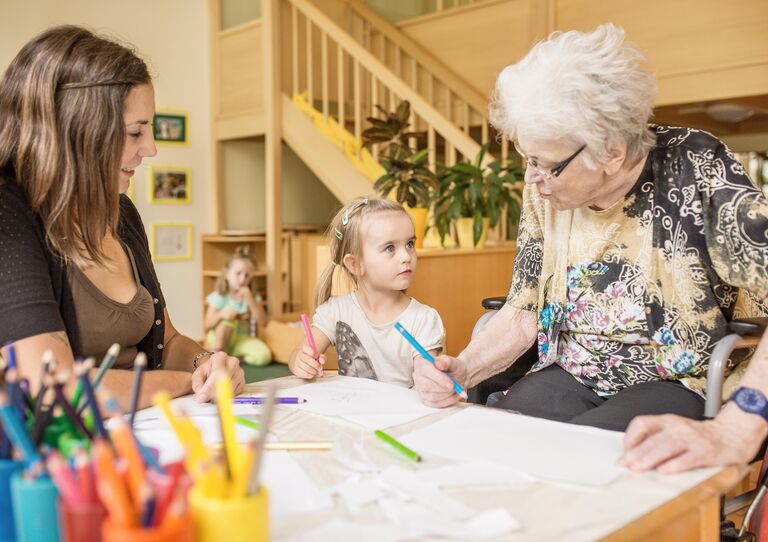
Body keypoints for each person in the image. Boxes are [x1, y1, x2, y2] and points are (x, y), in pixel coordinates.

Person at [413, 23, 768, 472]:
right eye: (529, 161)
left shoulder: (696, 167)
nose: (533, 180)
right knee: (493, 445)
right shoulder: (545, 186)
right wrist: (463, 370)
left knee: (587, 467)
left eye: (547, 165)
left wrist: (735, 430)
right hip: (571, 371)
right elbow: (524, 309)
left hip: (675, 378)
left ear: (612, 152)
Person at [0, 25, 244, 409]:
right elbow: (54, 385)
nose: (150, 149)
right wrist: (184, 383)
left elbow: (170, 342)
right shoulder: (9, 215)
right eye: (135, 133)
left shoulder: (121, 211)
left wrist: (206, 363)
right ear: (77, 133)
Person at [289, 197, 445, 387]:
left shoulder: (423, 319)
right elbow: (299, 353)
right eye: (390, 248)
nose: (406, 256)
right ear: (355, 264)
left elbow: (428, 379)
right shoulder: (336, 311)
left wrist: (432, 377)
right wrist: (301, 361)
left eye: (410, 244)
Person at [204, 247, 271, 366]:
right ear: (227, 274)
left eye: (247, 276)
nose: (242, 279)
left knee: (264, 356)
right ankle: (217, 353)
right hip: (218, 339)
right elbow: (207, 325)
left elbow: (263, 321)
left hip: (240, 340)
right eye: (238, 273)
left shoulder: (253, 297)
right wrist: (221, 314)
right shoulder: (219, 296)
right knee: (228, 321)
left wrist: (250, 300)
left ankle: (232, 358)